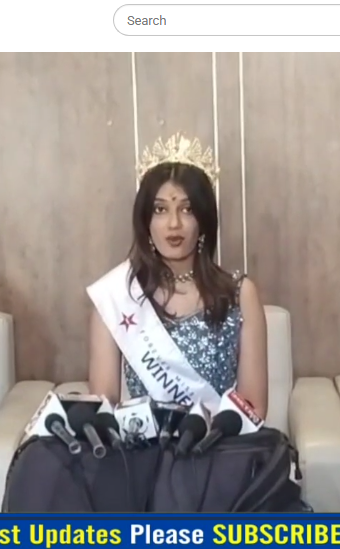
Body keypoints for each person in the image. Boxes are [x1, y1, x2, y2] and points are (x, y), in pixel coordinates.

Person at [87, 133, 269, 417]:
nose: (174, 224)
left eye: (187, 209)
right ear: (146, 221)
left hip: (221, 442)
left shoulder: (240, 294)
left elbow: (253, 409)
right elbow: (103, 410)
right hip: (144, 443)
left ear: (204, 220)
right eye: (160, 210)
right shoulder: (118, 296)